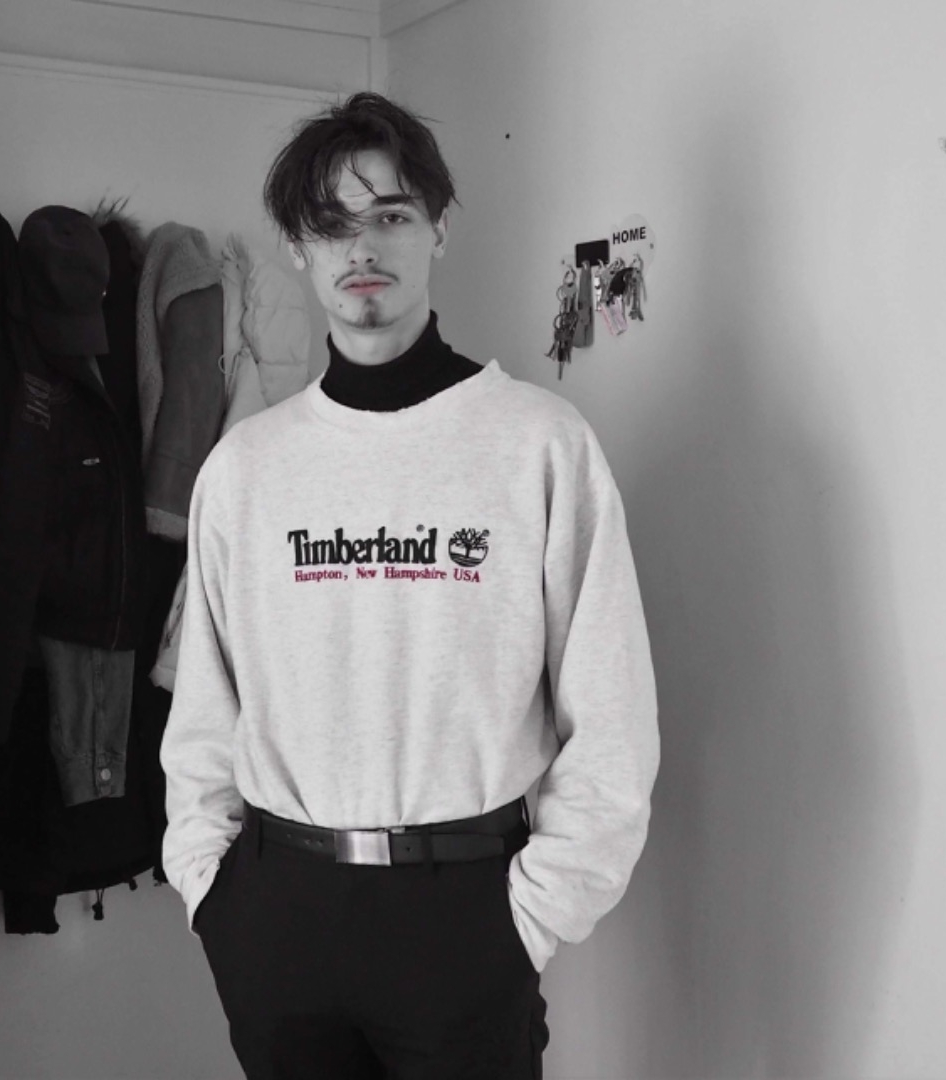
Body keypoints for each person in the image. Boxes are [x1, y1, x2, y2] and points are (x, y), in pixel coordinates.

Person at [160, 91, 660, 1079]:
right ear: (298, 250)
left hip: (464, 915)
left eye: (389, 214)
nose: (361, 248)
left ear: (438, 228)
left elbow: (612, 715)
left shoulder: (539, 444)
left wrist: (534, 915)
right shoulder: (247, 467)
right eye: (329, 224)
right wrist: (210, 889)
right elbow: (206, 711)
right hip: (277, 914)